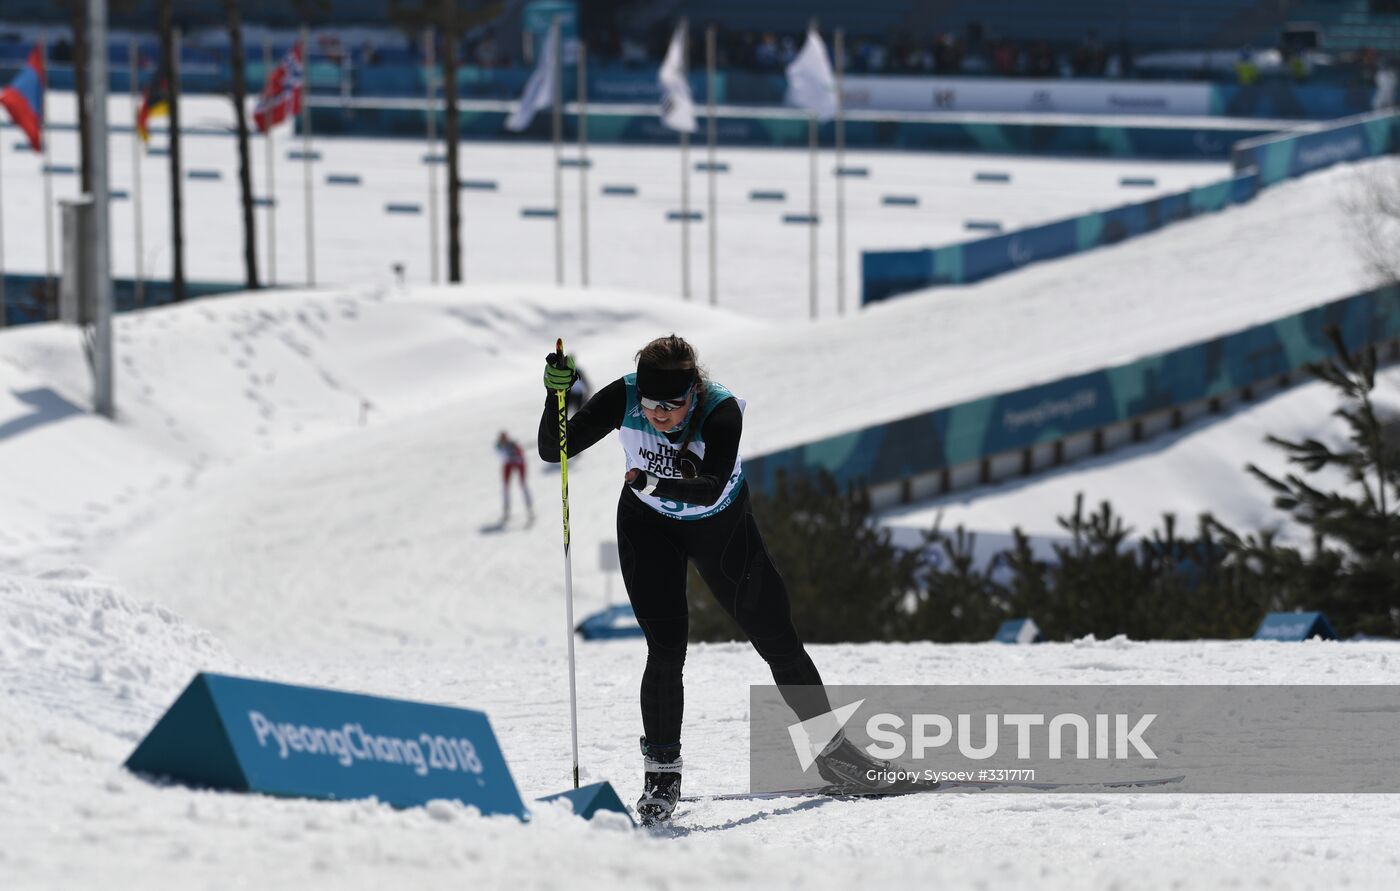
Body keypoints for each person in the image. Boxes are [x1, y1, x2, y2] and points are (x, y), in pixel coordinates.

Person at [538, 335, 895, 825]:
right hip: (648, 528)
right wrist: (554, 398)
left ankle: (836, 754)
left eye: (672, 405)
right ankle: (661, 777)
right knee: (666, 650)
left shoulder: (722, 411)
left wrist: (654, 481)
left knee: (778, 639)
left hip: (720, 527)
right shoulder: (623, 396)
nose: (659, 415)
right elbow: (552, 448)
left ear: (693, 392)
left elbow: (707, 489)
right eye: (650, 404)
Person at [495, 431, 533, 524]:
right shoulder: (498, 446)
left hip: (519, 463)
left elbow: (521, 455)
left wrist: (515, 454)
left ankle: (529, 509)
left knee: (523, 485)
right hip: (508, 464)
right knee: (505, 487)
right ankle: (506, 510)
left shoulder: (513, 445)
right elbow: (501, 457)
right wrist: (509, 457)